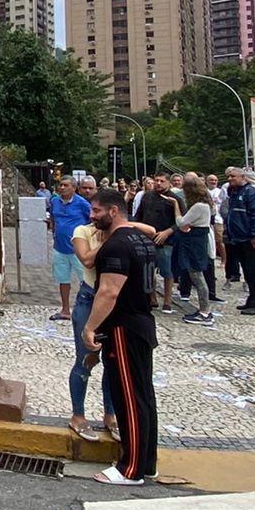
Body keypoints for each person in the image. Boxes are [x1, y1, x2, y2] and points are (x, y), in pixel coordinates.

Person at [82, 187, 159, 486]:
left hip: (123, 328)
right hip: (141, 323)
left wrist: (89, 327)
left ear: (114, 211)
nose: (92, 217)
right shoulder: (141, 240)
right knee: (143, 397)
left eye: (97, 211)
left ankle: (131, 469)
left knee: (129, 398)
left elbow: (109, 291)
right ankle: (146, 462)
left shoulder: (115, 246)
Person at [67, 177, 116, 442]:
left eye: (97, 211)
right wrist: (111, 240)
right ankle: (78, 415)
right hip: (90, 298)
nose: (92, 215)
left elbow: (150, 230)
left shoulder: (118, 230)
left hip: (115, 301)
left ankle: (110, 415)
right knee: (86, 359)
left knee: (112, 362)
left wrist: (118, 231)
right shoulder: (83, 233)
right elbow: (86, 258)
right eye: (91, 211)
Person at [225, 166, 255, 316]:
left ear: (242, 177)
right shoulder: (235, 193)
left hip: (249, 239)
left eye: (233, 176)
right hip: (238, 238)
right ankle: (251, 300)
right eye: (229, 176)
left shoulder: (252, 193)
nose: (230, 179)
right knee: (247, 272)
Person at [135, 175, 182, 313]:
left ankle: (167, 301)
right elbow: (139, 216)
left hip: (166, 240)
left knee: (167, 271)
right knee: (148, 270)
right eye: (157, 181)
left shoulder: (175, 199)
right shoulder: (147, 196)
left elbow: (181, 221)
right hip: (147, 238)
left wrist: (167, 232)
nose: (158, 183)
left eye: (162, 181)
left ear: (168, 182)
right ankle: (152, 297)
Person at [45, 176, 90, 322]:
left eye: (65, 185)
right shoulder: (54, 201)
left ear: (74, 188)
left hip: (78, 249)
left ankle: (88, 309)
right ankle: (65, 309)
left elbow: (92, 220)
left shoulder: (82, 204)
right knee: (63, 279)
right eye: (61, 185)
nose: (62, 188)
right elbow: (52, 217)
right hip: (60, 247)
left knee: (85, 280)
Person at [175, 175, 216, 325]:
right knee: (197, 275)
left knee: (197, 275)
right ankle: (204, 310)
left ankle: (205, 312)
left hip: (195, 242)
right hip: (197, 239)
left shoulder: (199, 206)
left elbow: (181, 222)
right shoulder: (206, 205)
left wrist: (176, 208)